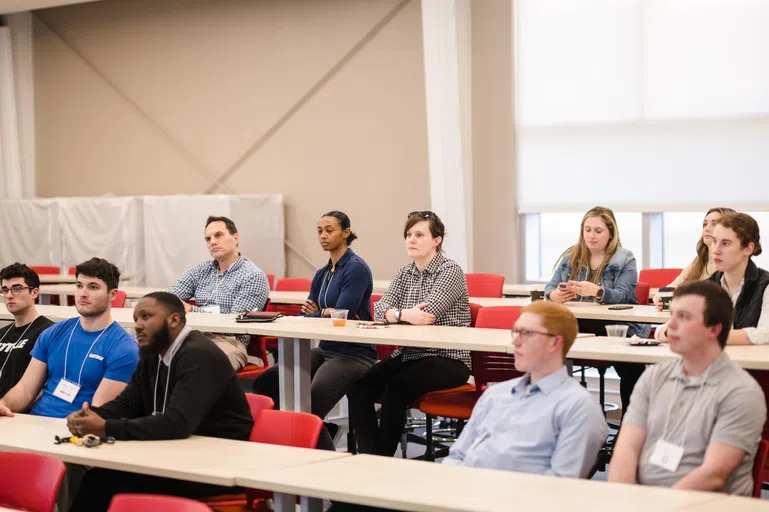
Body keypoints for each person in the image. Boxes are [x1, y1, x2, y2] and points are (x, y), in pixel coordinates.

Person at [67, 292, 253, 511]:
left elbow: (177, 423)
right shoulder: (152, 352)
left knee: (119, 488)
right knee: (98, 479)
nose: (138, 325)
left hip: (218, 462)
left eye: (146, 317)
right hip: (176, 452)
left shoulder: (199, 355)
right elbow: (128, 403)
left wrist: (106, 427)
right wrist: (93, 416)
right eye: (136, 319)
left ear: (174, 320)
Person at [609, 281, 766, 495]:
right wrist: (623, 500)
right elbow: (625, 450)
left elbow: (713, 475)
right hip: (642, 502)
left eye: (683, 317)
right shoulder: (653, 377)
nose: (670, 326)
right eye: (672, 315)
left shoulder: (741, 392)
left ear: (715, 329)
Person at [347, 211, 471, 457]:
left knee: (396, 388)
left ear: (436, 240)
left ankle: (381, 460)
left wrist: (396, 314)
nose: (411, 240)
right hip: (411, 354)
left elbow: (428, 315)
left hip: (448, 358)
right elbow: (379, 309)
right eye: (408, 235)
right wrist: (403, 314)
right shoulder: (405, 272)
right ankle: (370, 457)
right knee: (359, 387)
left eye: (419, 235)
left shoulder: (450, 271)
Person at [251, 211, 375, 450]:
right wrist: (323, 312)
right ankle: (316, 433)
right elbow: (306, 314)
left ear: (346, 233)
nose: (323, 235)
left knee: (309, 406)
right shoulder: (322, 273)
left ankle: (322, 460)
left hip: (354, 353)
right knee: (266, 383)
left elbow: (343, 313)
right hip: (326, 348)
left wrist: (323, 312)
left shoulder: (356, 268)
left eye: (330, 230)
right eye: (319, 231)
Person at [445, 301, 607, 475]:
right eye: (515, 331)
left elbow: (559, 484)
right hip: (462, 492)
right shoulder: (495, 395)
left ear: (555, 343)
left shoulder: (577, 407)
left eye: (525, 333)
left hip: (509, 499)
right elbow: (457, 455)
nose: (515, 341)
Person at [0, 257, 138, 418]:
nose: (83, 294)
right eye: (79, 286)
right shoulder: (52, 333)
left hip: (75, 431)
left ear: (113, 294)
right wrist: (3, 404)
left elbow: (97, 414)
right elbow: (24, 391)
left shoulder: (124, 349)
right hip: (35, 421)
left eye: (93, 287)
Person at [544, 206, 650, 414]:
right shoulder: (571, 256)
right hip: (580, 325)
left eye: (598, 231)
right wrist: (554, 296)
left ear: (611, 233)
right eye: (587, 230)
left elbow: (623, 294)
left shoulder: (625, 258)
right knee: (551, 352)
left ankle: (631, 427)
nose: (591, 236)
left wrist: (598, 292)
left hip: (619, 326)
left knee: (632, 368)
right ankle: (561, 417)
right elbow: (550, 287)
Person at [168, 215, 270, 370]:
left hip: (230, 341)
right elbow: (168, 298)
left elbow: (233, 322)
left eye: (218, 235)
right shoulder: (201, 270)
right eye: (208, 239)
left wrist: (192, 310)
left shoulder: (253, 275)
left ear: (235, 238)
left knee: (197, 364)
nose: (212, 242)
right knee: (149, 355)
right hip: (194, 335)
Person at [656, 213, 769, 345]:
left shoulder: (765, 285)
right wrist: (674, 332)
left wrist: (700, 335)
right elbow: (661, 330)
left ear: (749, 248)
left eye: (725, 243)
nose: (715, 250)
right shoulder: (706, 287)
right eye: (714, 241)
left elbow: (765, 333)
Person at [652, 207, 735, 309]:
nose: (706, 228)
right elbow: (675, 286)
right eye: (705, 224)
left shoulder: (732, 264)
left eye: (714, 224)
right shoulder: (700, 260)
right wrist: (660, 297)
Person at [0, 263, 55, 397]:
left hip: (18, 411)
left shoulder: (49, 332)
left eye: (17, 289)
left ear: (34, 292)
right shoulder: (2, 333)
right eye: (5, 290)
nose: (9, 295)